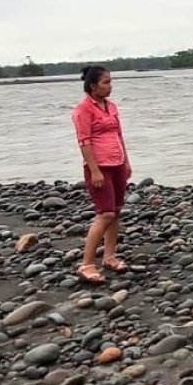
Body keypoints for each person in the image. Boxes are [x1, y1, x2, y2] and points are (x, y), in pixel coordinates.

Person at [70, 65, 132, 284]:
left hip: (117, 163)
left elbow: (119, 134)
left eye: (110, 81)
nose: (110, 86)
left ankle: (109, 256)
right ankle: (86, 263)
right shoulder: (83, 109)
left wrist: (126, 161)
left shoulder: (111, 106)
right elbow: (84, 141)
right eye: (105, 82)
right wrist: (94, 169)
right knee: (104, 213)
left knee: (115, 211)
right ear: (92, 85)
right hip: (98, 166)